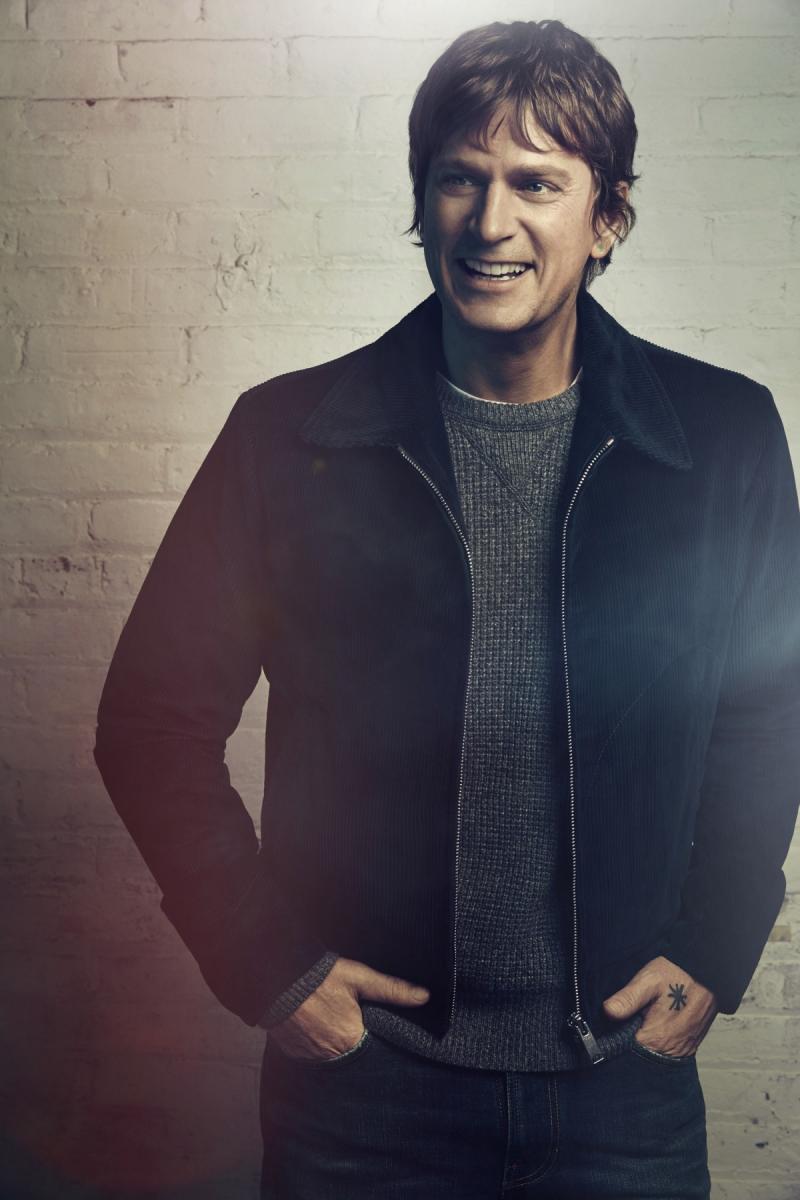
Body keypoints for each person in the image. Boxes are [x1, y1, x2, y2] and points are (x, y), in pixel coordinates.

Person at [94, 18, 800, 1199]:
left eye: (536, 183)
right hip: (364, 1096)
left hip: (619, 1088)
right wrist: (267, 964)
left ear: (607, 215)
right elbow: (151, 723)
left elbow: (768, 711)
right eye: (459, 179)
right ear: (421, 202)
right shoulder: (287, 437)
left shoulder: (720, 436)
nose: (489, 222)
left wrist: (714, 944)